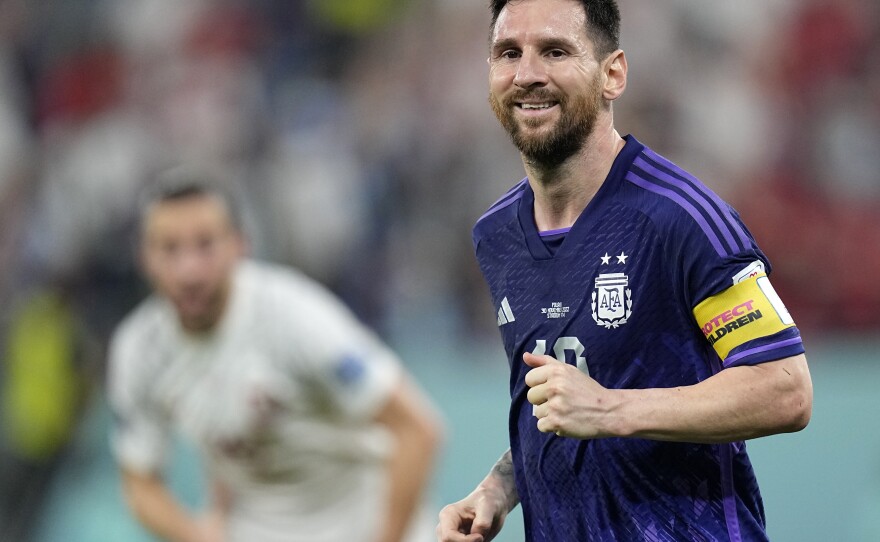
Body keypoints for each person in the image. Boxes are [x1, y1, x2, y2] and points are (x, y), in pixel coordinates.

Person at [437, 1, 813, 541]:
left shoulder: (681, 216)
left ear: (613, 73)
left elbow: (785, 387)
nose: (527, 74)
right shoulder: (495, 235)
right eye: (508, 53)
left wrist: (612, 409)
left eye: (555, 51)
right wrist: (497, 490)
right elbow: (557, 406)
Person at [107, 168, 444, 542]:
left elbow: (417, 430)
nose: (189, 270)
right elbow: (141, 483)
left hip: (364, 515)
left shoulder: (293, 315)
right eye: (170, 249)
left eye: (205, 245)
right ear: (144, 257)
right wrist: (197, 535)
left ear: (240, 244)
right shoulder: (139, 350)